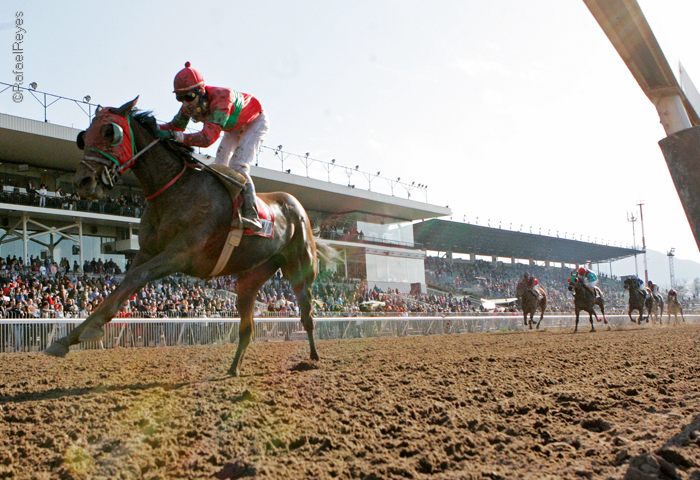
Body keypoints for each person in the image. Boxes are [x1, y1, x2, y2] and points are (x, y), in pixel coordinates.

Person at [155, 62, 268, 232]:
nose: (185, 103)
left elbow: (207, 138)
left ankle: (252, 215)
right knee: (219, 167)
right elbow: (175, 126)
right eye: (180, 98)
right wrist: (151, 127)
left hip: (255, 121)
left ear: (201, 91)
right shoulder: (188, 105)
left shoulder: (222, 99)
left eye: (189, 97)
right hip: (233, 127)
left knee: (238, 165)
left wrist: (176, 137)